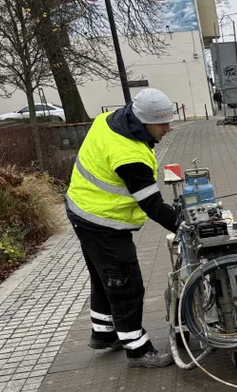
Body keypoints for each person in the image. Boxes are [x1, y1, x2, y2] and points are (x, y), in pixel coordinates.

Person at [65, 88, 181, 368]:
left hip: (80, 207)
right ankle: (138, 350)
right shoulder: (129, 156)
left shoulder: (108, 119)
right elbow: (152, 205)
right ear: (142, 122)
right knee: (126, 284)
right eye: (161, 124)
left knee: (104, 277)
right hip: (101, 221)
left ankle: (104, 334)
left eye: (169, 121)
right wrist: (184, 225)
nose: (168, 129)